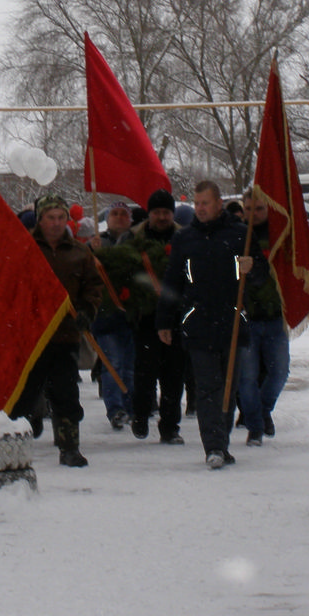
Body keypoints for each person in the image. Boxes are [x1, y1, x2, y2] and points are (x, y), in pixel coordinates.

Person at [156, 180, 265, 470]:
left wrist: (251, 269)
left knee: (228, 387)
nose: (200, 208)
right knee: (207, 388)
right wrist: (165, 320)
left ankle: (222, 441)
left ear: (219, 204)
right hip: (198, 322)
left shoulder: (241, 235)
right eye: (197, 203)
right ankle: (213, 446)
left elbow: (261, 277)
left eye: (205, 203)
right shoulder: (185, 239)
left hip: (232, 321)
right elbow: (172, 282)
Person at [11, 194, 103, 467]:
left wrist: (87, 311)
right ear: (40, 219)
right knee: (24, 394)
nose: (56, 223)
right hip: (31, 337)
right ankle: (14, 443)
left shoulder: (79, 252)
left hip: (65, 335)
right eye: (50, 217)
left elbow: (93, 287)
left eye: (61, 218)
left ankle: (69, 445)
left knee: (66, 393)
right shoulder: (22, 248)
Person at [129, 188, 186, 444]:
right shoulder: (133, 239)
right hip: (145, 318)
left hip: (177, 317)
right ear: (149, 214)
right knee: (145, 374)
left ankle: (170, 427)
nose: (162, 217)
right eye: (157, 212)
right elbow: (122, 269)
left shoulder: (184, 238)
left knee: (174, 376)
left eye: (166, 212)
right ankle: (140, 415)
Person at [236, 192, 290, 447]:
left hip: (276, 316)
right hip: (247, 316)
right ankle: (255, 427)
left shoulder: (280, 236)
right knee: (247, 377)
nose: (253, 213)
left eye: (258, 208)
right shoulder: (237, 236)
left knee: (279, 372)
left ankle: (262, 411)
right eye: (248, 208)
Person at [91, 201, 137, 430]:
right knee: (113, 364)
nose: (119, 218)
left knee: (130, 365)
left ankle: (130, 405)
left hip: (132, 315)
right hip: (106, 317)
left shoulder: (137, 243)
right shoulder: (97, 243)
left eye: (123, 214)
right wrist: (93, 252)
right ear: (107, 218)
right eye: (114, 214)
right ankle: (115, 409)